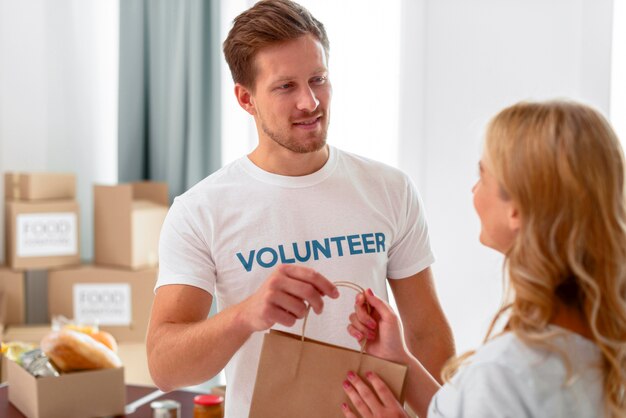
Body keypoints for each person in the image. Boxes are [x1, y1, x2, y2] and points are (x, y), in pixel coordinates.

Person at [146, 1, 455, 417]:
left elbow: (426, 330)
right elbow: (165, 367)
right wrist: (244, 316)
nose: (310, 102)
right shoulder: (200, 211)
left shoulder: (389, 189)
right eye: (285, 86)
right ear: (245, 98)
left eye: (318, 79)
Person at [342, 100, 626, 418]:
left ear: (516, 209)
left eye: (484, 176)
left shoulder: (505, 370)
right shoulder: (601, 338)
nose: (474, 189)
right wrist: (400, 359)